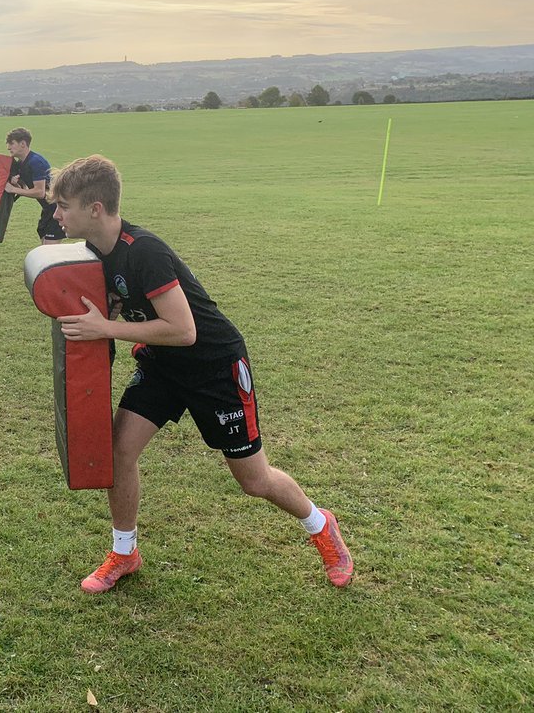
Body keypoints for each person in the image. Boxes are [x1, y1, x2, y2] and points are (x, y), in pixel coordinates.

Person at [49, 155, 352, 593]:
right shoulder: (96, 250)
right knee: (118, 454)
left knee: (253, 480)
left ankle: (321, 524)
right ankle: (125, 552)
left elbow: (184, 330)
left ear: (95, 209)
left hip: (214, 368)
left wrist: (107, 327)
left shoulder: (145, 251)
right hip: (161, 365)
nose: (56, 214)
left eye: (64, 205)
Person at [2, 127, 65, 245]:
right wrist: (17, 184)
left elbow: (39, 192)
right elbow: (27, 189)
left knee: (49, 249)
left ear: (23, 144)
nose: (8, 147)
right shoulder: (22, 163)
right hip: (47, 209)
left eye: (11, 143)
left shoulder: (36, 162)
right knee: (45, 246)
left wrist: (13, 189)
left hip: (57, 208)